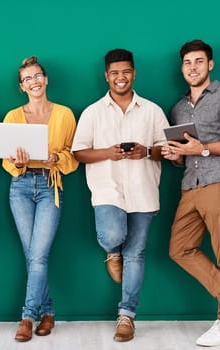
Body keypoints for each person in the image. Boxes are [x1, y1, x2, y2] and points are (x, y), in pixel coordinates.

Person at [72, 48, 169, 342]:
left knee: (136, 254)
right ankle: (112, 252)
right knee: (113, 235)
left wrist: (146, 151)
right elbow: (78, 152)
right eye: (114, 73)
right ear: (106, 76)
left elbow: (168, 150)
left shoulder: (152, 111)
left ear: (134, 73)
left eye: (126, 71)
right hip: (107, 190)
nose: (120, 77)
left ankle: (126, 316)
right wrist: (107, 153)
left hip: (143, 191)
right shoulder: (92, 112)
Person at [162, 39, 220, 346]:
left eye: (199, 62)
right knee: (179, 248)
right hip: (191, 184)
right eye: (188, 63)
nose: (193, 68)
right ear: (182, 68)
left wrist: (201, 149)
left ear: (210, 65)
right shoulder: (178, 107)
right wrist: (178, 156)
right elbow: (187, 151)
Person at [2, 56, 79, 342]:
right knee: (34, 256)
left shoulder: (65, 114)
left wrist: (57, 157)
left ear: (45, 80)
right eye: (27, 79)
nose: (33, 82)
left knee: (38, 255)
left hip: (51, 185)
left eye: (37, 76)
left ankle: (27, 316)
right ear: (21, 86)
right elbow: (6, 162)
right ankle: (48, 312)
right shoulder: (12, 116)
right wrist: (19, 164)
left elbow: (74, 158)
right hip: (20, 187)